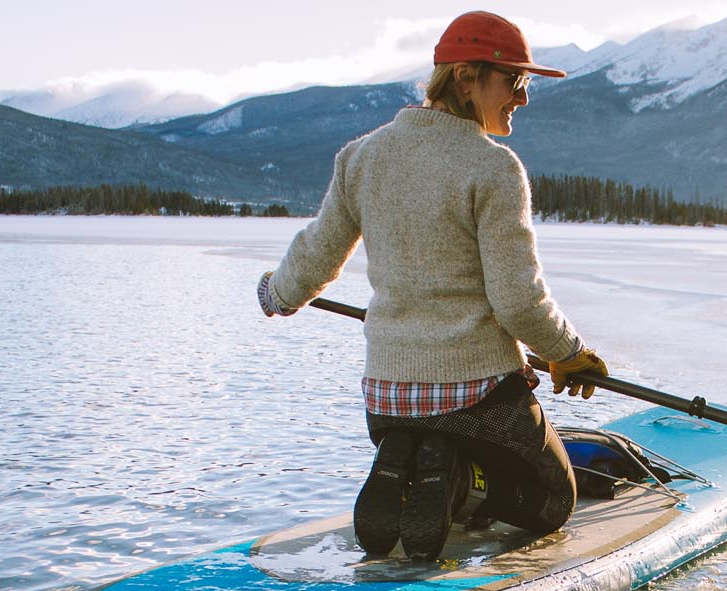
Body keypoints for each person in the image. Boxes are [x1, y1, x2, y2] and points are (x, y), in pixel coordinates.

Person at [255, 9, 610, 562]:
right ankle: (459, 485)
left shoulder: (361, 157)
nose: (523, 97)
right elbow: (518, 301)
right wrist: (569, 352)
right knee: (551, 500)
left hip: (386, 399)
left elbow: (315, 256)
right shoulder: (493, 167)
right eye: (515, 81)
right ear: (467, 78)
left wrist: (276, 294)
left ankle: (418, 461)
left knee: (430, 433)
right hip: (478, 397)